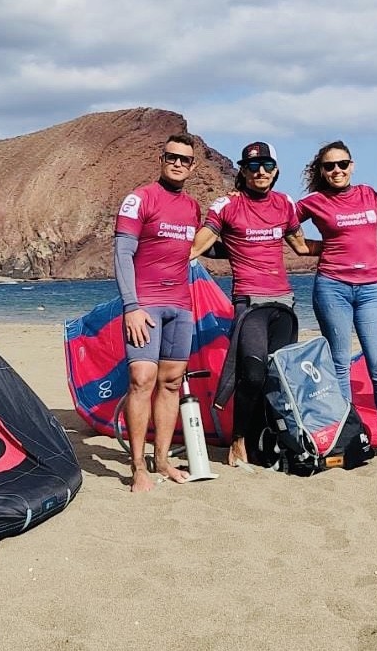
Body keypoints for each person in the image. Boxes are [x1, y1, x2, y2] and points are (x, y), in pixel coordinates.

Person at [189, 141, 308, 467]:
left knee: (277, 377)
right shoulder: (227, 205)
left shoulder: (285, 204)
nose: (261, 172)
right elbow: (199, 244)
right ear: (242, 170)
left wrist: (348, 244)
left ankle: (266, 438)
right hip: (250, 304)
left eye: (267, 165)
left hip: (284, 303)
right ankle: (238, 440)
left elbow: (300, 246)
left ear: (276, 170)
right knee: (252, 375)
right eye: (253, 166)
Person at [295, 141, 377, 458]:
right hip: (333, 287)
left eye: (342, 164)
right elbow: (283, 223)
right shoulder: (313, 202)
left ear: (352, 166)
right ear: (321, 171)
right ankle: (349, 434)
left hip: (371, 288)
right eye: (330, 166)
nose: (337, 170)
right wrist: (312, 248)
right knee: (340, 366)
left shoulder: (370, 194)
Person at [114, 133, 204, 492]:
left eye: (185, 159)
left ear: (193, 166)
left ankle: (162, 461)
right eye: (172, 157)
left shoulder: (193, 207)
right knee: (141, 380)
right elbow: (122, 255)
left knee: (170, 384)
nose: (178, 163)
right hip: (145, 305)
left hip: (181, 306)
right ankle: (138, 467)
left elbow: (194, 250)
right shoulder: (140, 198)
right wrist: (131, 306)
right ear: (161, 159)